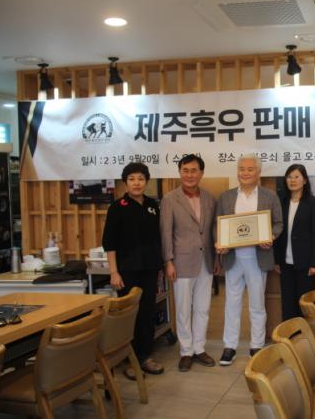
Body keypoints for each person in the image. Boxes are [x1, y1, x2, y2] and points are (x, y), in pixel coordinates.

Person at [216, 154, 283, 365]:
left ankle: (256, 345)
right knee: (231, 304)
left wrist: (271, 237)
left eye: (250, 169)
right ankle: (229, 346)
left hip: (258, 258)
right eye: (242, 169)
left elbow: (278, 223)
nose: (245, 173)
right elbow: (218, 225)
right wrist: (220, 242)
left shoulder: (269, 196)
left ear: (258, 172)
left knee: (257, 304)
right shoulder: (226, 197)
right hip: (233, 258)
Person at [102, 162, 164, 376]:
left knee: (147, 313)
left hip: (150, 268)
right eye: (131, 179)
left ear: (146, 181)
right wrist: (114, 272)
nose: (136, 183)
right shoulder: (117, 207)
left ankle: (145, 357)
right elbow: (109, 243)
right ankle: (128, 361)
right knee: (128, 316)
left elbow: (158, 237)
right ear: (125, 182)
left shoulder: (152, 205)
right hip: (126, 271)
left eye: (140, 179)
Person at [160, 155, 217, 372]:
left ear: (201, 173)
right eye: (185, 170)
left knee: (203, 308)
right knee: (183, 309)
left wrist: (217, 258)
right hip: (181, 261)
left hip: (207, 260)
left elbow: (213, 230)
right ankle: (186, 351)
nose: (190, 175)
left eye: (194, 170)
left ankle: (199, 348)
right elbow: (166, 232)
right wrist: (169, 261)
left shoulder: (210, 198)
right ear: (180, 172)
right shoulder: (169, 199)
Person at [274, 164, 315, 321]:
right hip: (285, 263)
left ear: (305, 180)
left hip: (305, 264)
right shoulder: (281, 202)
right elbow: (277, 232)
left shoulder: (313, 202)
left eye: (296, 177)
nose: (292, 180)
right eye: (289, 177)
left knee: (304, 304)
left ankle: (305, 335)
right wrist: (277, 260)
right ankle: (290, 335)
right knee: (287, 304)